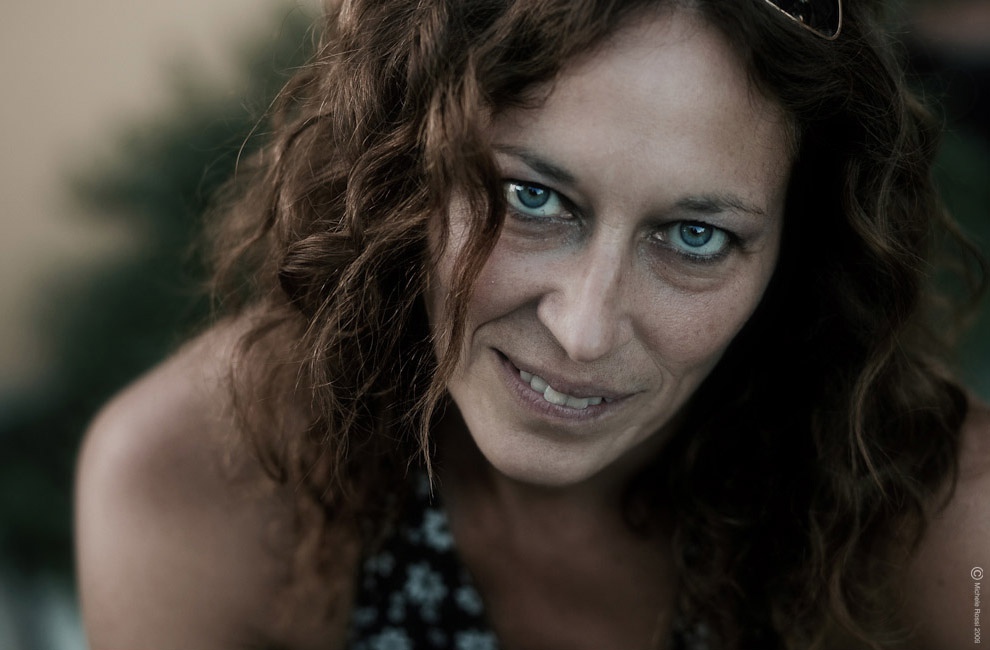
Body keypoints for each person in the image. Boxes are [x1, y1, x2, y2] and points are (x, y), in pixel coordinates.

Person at [74, 0, 989, 648]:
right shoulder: (198, 479)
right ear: (402, 170)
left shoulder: (943, 525)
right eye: (532, 198)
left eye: (696, 236)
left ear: (801, 250)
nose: (585, 330)